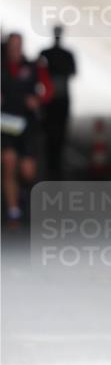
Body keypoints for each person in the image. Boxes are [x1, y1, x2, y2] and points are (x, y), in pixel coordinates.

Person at [1, 32, 54, 225]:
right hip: (5, 124)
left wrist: (38, 100)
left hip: (27, 125)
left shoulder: (33, 67)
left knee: (27, 172)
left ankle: (23, 192)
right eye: (11, 46)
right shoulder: (2, 67)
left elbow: (48, 89)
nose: (15, 49)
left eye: (18, 45)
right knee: (8, 162)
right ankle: (13, 211)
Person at [40, 24, 77, 178]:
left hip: (57, 99)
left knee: (54, 132)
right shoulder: (61, 55)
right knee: (54, 132)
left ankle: (54, 164)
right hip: (55, 99)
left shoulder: (48, 54)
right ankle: (53, 164)